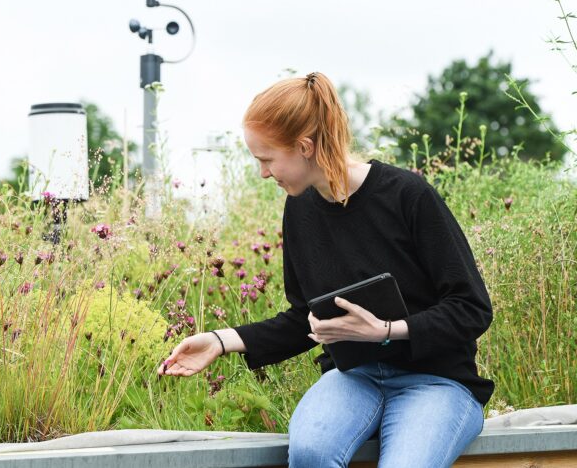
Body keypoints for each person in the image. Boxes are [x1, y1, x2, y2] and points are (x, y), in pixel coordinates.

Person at [156, 72, 494, 467]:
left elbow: (472, 307)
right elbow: (307, 317)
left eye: (266, 160)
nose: (263, 173)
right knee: (311, 453)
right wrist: (219, 340)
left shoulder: (408, 196)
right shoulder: (299, 209)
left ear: (303, 146)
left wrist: (385, 332)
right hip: (355, 379)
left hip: (438, 382)